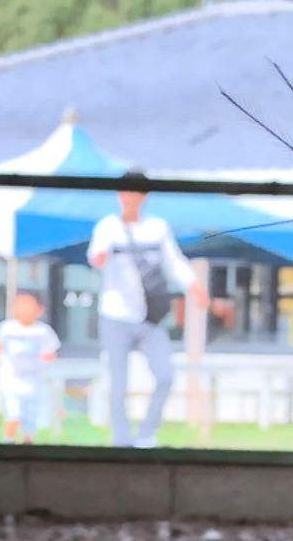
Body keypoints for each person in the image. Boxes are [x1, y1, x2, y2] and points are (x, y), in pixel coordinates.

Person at [87, 174, 208, 449]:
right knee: (118, 385)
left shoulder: (157, 228)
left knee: (165, 375)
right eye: (124, 193)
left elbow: (174, 261)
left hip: (149, 318)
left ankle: (145, 434)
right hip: (115, 316)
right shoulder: (108, 226)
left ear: (143, 197)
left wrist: (194, 287)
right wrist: (101, 256)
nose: (128, 199)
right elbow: (95, 257)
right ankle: (121, 443)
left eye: (134, 194)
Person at [0, 289, 61, 443]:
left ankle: (27, 447)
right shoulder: (6, 328)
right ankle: (8, 442)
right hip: (11, 380)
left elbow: (52, 352)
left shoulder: (43, 331)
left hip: (34, 382)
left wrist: (45, 358)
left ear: (39, 310)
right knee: (13, 413)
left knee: (30, 419)